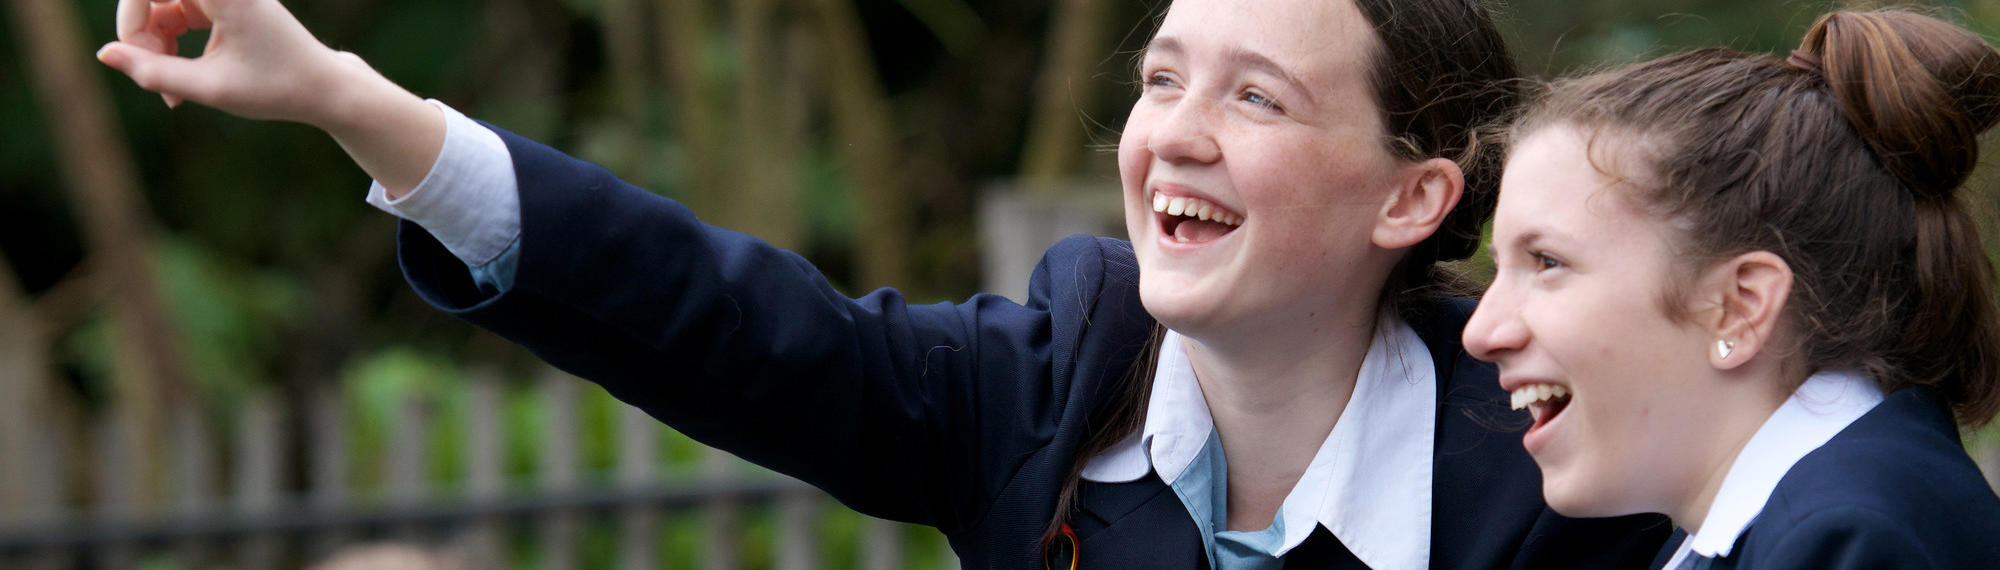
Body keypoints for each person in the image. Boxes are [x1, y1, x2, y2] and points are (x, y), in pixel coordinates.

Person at [99, 0, 1668, 567]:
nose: (1174, 134)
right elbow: (712, 314)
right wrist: (346, 98)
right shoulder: (1049, 375)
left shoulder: (1562, 481)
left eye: (1256, 97)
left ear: (1416, 194)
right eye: (1164, 76)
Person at [1466, 9, 2000, 569]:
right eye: (1499, 267)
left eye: (1548, 262)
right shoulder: (1779, 532)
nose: (1481, 332)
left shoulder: (1850, 543)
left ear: (1738, 306)